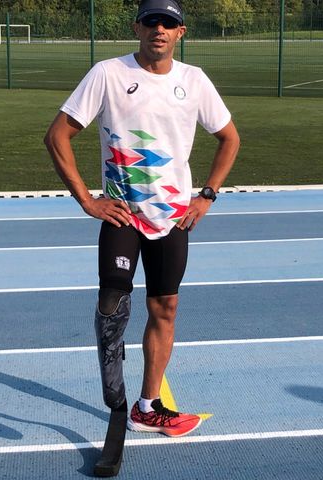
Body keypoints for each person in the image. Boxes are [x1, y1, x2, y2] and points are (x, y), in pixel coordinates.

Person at [44, 0, 239, 442]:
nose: (159, 29)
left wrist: (206, 195)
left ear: (181, 33)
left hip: (173, 219)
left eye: (168, 24)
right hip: (122, 215)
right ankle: (114, 387)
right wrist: (86, 201)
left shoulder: (194, 81)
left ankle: (147, 407)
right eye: (151, 21)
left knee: (164, 308)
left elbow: (229, 138)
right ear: (137, 27)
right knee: (112, 304)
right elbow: (57, 134)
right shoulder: (108, 74)